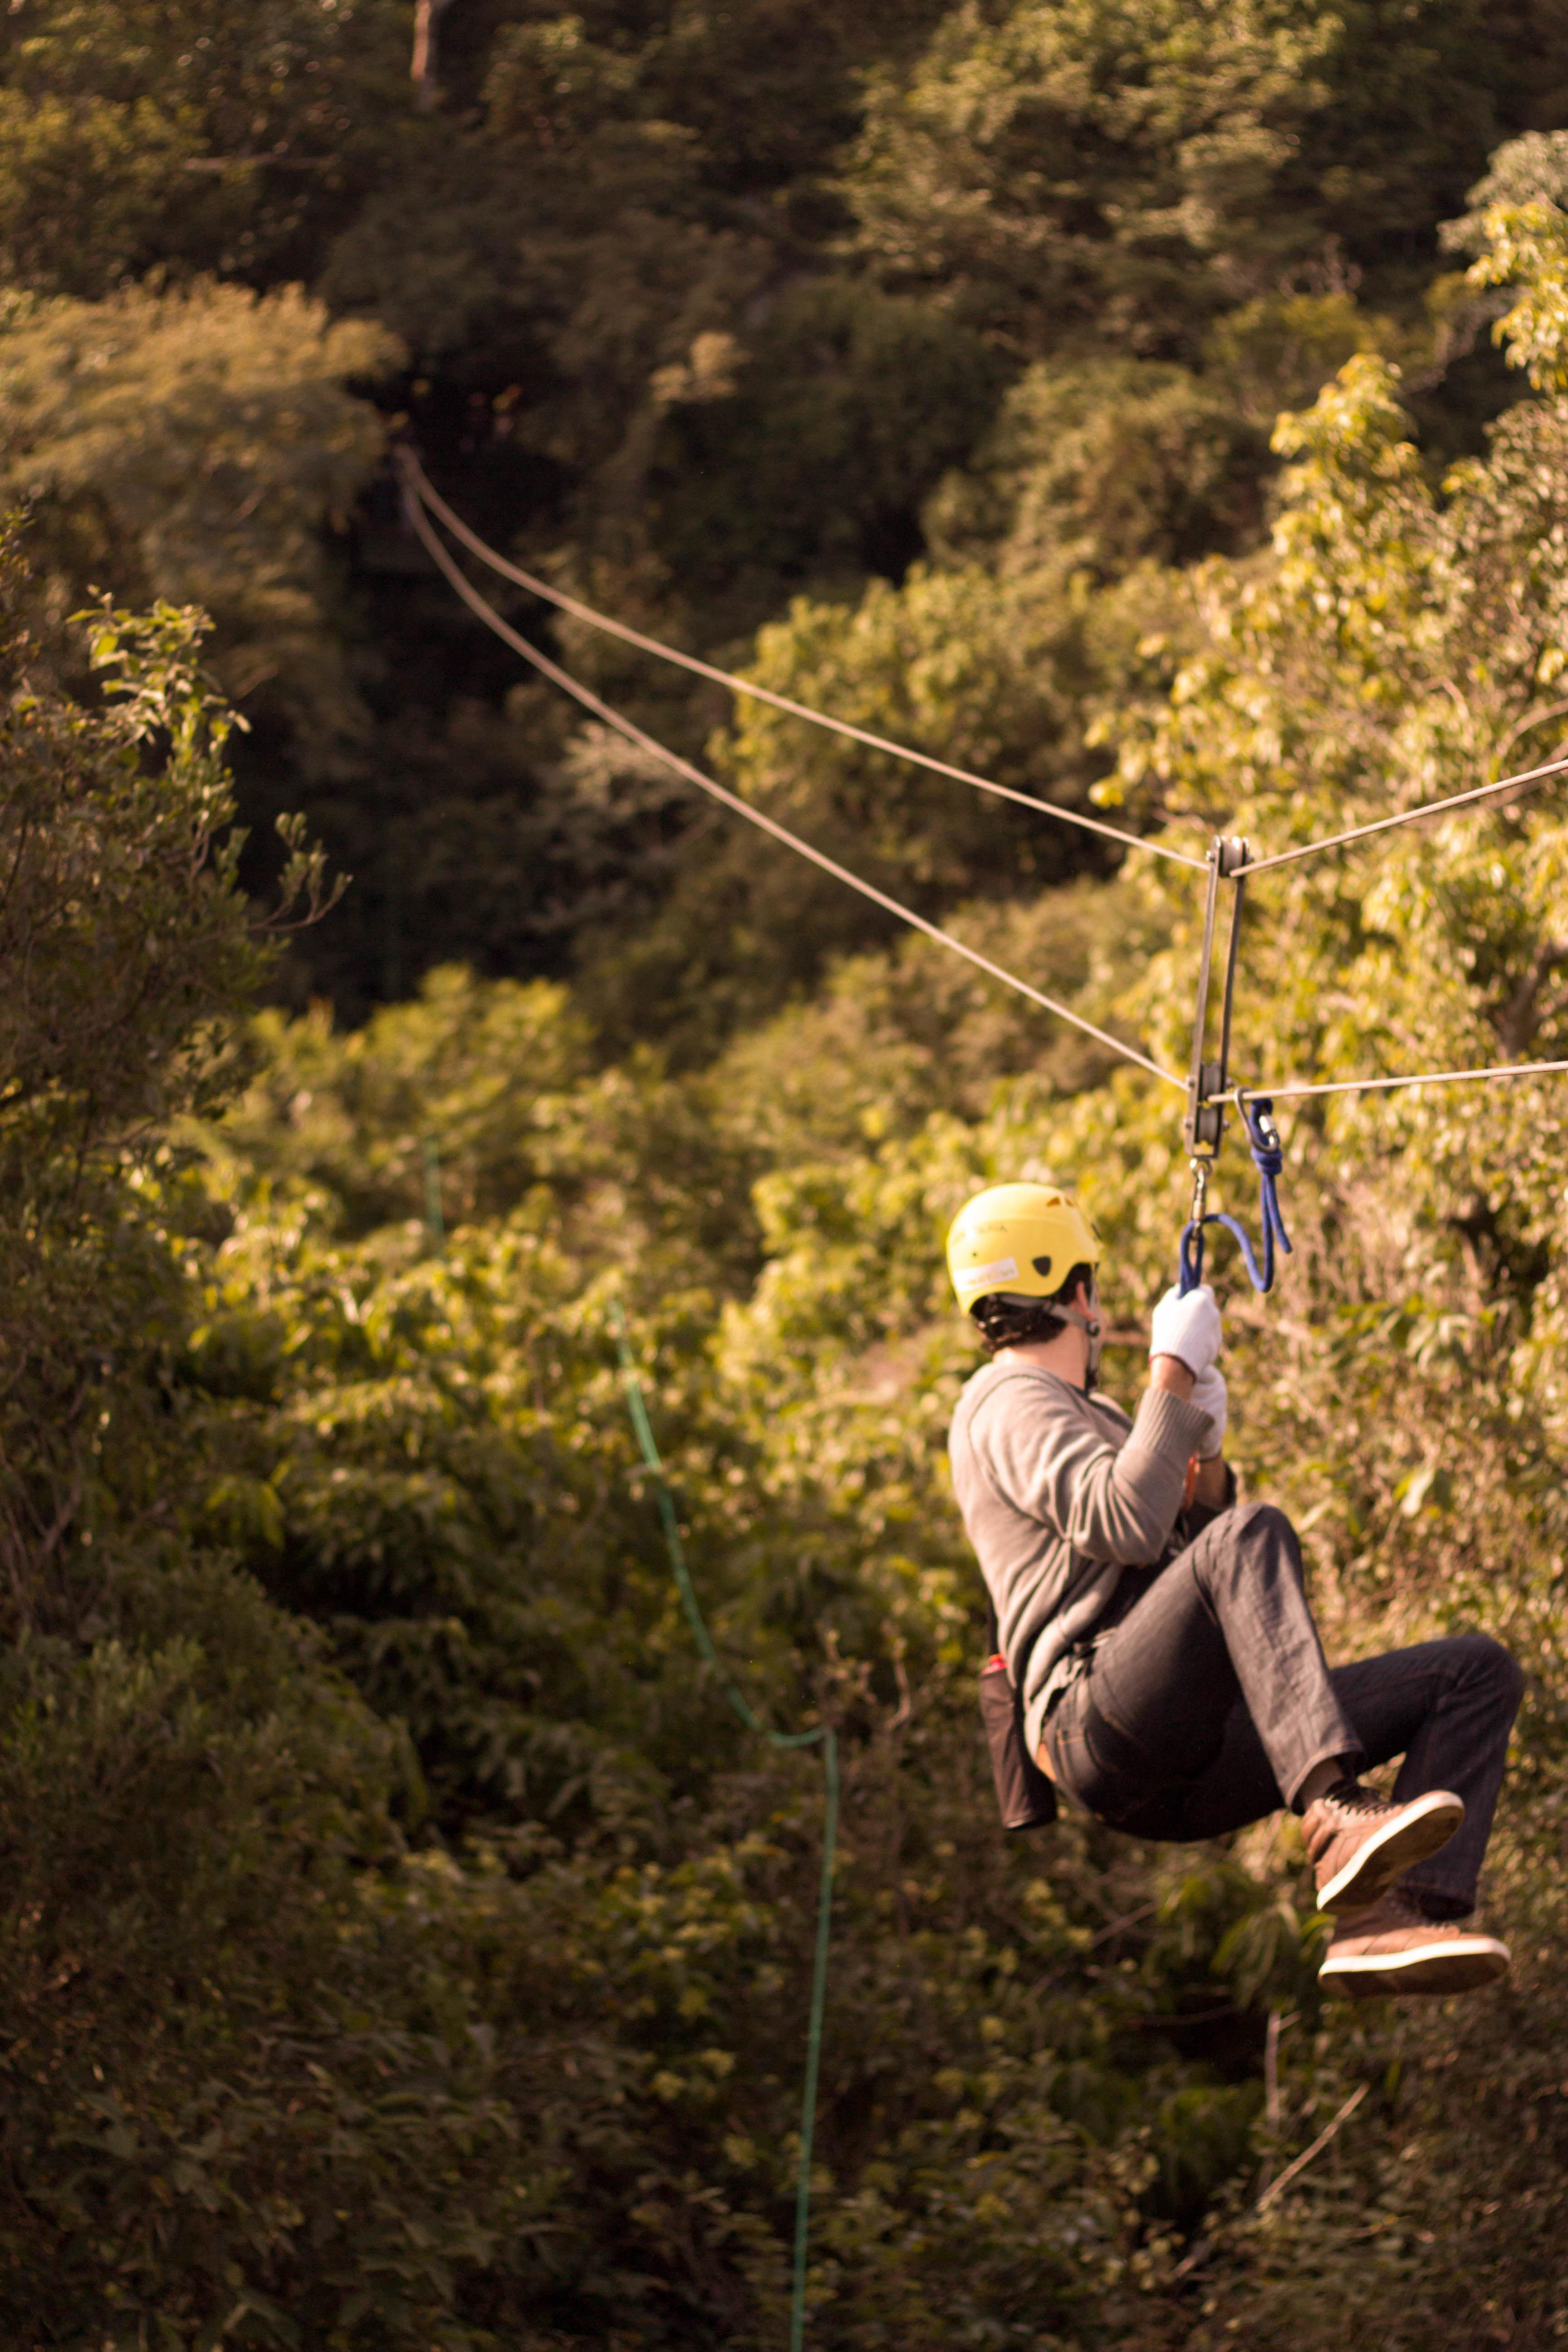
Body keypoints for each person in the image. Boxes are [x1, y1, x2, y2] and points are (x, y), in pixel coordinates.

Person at [946, 1181, 1522, 1998]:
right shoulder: (1004, 1400)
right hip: (1096, 1723)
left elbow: (1187, 1550)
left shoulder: (1098, 1414)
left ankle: (1388, 1919)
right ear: (1079, 1291)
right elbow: (1127, 1526)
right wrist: (1172, 1374)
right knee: (1252, 1534)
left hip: (1191, 1740)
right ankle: (1333, 1809)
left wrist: (1203, 1445)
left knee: (1474, 1673)